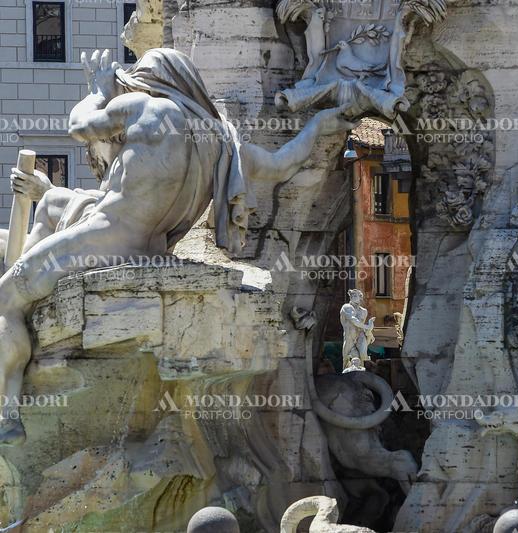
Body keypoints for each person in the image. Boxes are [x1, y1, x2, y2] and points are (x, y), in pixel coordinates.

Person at [0, 48, 354, 445]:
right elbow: (282, 164)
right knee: (50, 202)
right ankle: (25, 256)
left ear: (152, 79)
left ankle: (7, 413)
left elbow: (80, 125)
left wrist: (100, 91)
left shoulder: (142, 107)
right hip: (149, 245)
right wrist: (321, 125)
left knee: (5, 298)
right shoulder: (221, 143)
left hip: (105, 237)